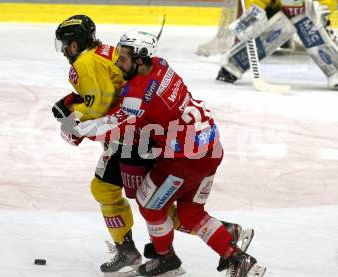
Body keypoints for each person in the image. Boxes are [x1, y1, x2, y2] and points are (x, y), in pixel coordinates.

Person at [69, 29, 266, 277]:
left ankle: (166, 259)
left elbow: (116, 124)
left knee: (148, 203)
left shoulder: (138, 92)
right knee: (190, 213)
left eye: (124, 57)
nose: (119, 62)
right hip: (210, 147)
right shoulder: (161, 65)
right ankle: (239, 260)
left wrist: (77, 129)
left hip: (184, 160)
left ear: (140, 58)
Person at [52, 15, 149, 275]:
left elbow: (100, 105)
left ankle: (221, 236)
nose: (63, 50)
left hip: (131, 133)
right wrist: (72, 100)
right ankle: (126, 246)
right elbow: (106, 88)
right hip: (136, 127)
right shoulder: (101, 50)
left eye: (65, 44)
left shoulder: (84, 62)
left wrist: (73, 119)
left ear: (74, 45)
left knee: (142, 197)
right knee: (143, 195)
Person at [216, 0, 338, 89]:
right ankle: (233, 66)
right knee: (276, 31)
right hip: (276, 11)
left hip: (307, 13)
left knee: (310, 28)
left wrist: (322, 8)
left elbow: (327, 2)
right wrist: (253, 15)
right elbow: (257, 2)